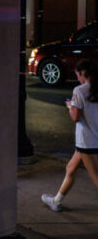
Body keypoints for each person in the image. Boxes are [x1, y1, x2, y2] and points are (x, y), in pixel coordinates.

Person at [41, 59, 98, 212]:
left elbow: (76, 117)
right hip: (93, 139)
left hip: (86, 141)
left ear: (83, 73)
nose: (78, 78)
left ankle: (56, 201)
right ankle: (56, 201)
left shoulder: (79, 91)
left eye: (78, 75)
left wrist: (70, 106)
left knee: (96, 178)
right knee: (70, 168)